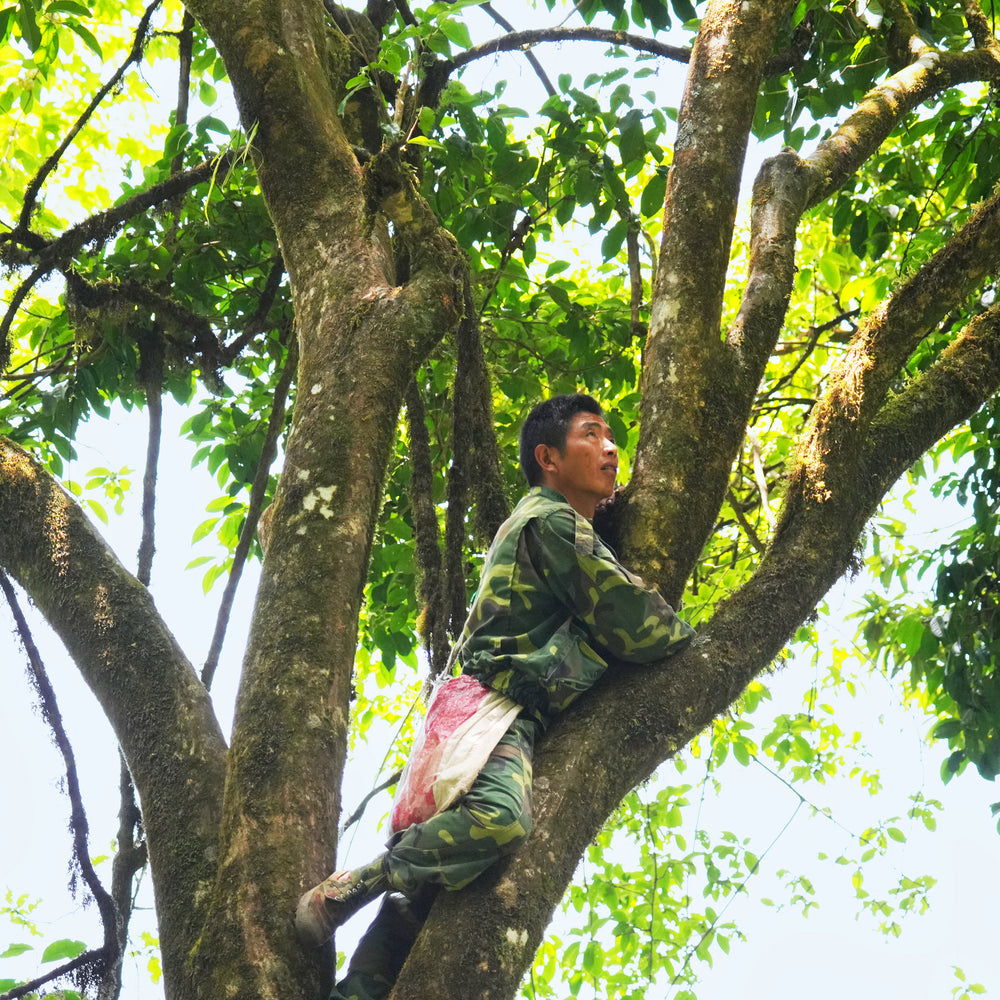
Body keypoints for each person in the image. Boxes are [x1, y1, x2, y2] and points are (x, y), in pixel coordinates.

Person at [296, 393, 695, 1000]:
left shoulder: (554, 523)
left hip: (473, 716)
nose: (612, 448)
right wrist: (699, 645)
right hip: (494, 709)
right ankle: (358, 882)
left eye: (612, 436)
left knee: (416, 909)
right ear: (549, 457)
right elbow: (632, 620)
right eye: (592, 434)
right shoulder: (551, 520)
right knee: (499, 820)